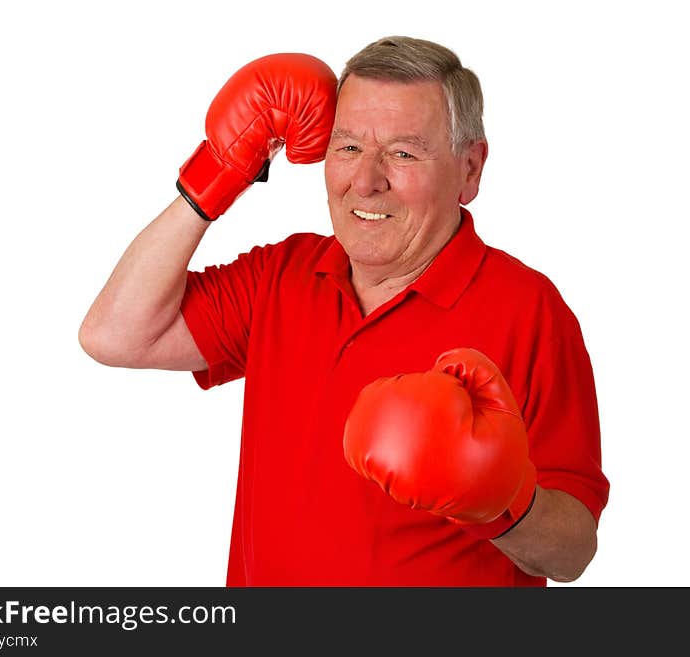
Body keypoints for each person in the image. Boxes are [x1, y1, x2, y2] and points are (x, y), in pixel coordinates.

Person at [79, 36, 610, 586]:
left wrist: (505, 503)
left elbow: (572, 554)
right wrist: (220, 169)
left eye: (404, 153)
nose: (366, 181)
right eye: (349, 147)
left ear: (470, 170)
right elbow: (114, 335)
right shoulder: (283, 275)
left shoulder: (527, 310)